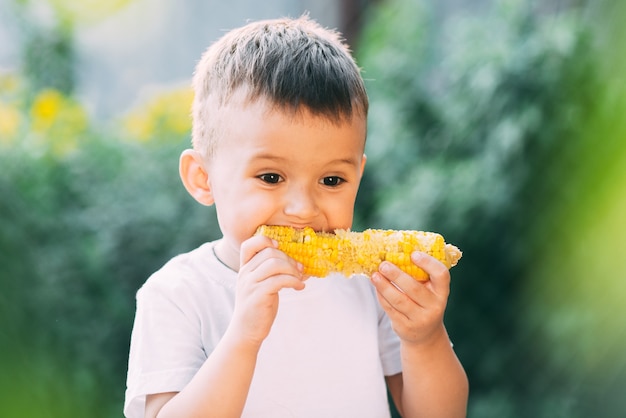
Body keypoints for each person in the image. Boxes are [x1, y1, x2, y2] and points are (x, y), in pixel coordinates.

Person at [124, 15, 468, 418]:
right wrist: (243, 337)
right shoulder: (178, 294)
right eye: (271, 177)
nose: (303, 209)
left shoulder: (369, 287)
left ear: (358, 174)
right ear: (203, 179)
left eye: (331, 179)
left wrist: (424, 339)